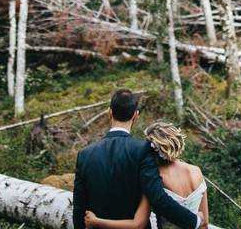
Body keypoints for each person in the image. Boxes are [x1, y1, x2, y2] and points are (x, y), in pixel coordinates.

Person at [72, 90, 206, 229]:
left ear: (110, 113)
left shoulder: (85, 154)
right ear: (136, 115)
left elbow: (79, 208)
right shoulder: (143, 149)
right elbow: (158, 198)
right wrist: (194, 221)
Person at [83, 121, 209, 229]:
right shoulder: (196, 171)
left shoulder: (153, 180)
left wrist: (96, 221)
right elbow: (205, 224)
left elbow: (137, 224)